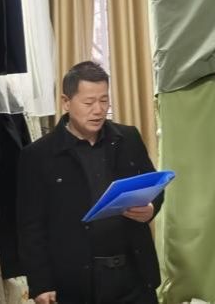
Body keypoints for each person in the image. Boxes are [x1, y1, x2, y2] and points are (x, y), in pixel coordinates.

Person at [17, 61, 164, 304]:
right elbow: (30, 226)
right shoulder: (38, 155)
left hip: (134, 274)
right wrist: (41, 283)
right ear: (66, 102)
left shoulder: (128, 138)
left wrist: (151, 208)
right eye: (88, 102)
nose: (98, 110)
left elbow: (152, 186)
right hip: (76, 280)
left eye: (104, 100)